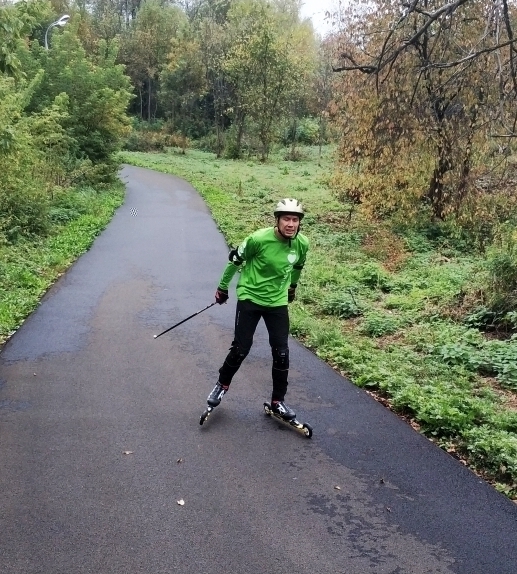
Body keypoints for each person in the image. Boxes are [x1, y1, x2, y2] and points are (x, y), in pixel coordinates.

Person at [207, 198, 309, 420]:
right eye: (286, 219)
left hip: (277, 301)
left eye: (295, 220)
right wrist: (222, 288)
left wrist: (292, 287)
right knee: (241, 348)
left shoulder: (302, 243)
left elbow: (297, 267)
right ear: (277, 220)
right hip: (250, 297)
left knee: (281, 352)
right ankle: (221, 384)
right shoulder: (258, 239)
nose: (291, 224)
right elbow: (235, 260)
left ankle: (277, 402)